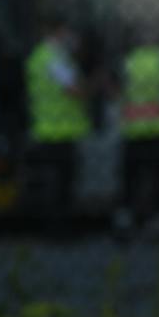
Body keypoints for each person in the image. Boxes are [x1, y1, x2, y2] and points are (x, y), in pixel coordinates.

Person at [117, 32, 159, 231]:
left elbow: (117, 90)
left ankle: (128, 215)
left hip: (134, 129)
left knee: (132, 176)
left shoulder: (129, 62)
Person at [23, 18, 93, 217]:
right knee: (62, 182)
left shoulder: (41, 56)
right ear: (57, 32)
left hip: (48, 127)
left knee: (56, 181)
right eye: (66, 31)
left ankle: (57, 224)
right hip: (59, 130)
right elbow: (75, 90)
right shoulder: (53, 59)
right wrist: (93, 85)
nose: (71, 37)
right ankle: (60, 227)